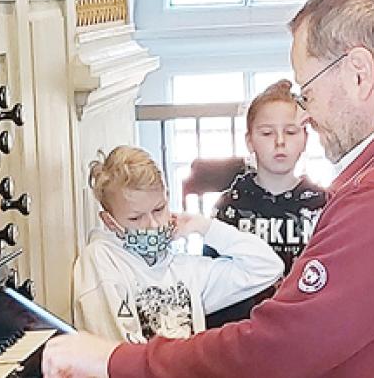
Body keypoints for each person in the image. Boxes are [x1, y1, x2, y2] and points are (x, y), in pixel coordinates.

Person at [43, 0, 374, 377]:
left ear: (359, 74)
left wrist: (117, 362)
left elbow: (279, 348)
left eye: (308, 90)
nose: (306, 112)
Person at [72, 145, 284, 343]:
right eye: (136, 219)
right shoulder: (101, 260)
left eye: (159, 209)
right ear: (110, 221)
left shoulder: (186, 269)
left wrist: (203, 227)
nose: (153, 225)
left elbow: (267, 267)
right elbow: (112, 352)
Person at [204, 79, 327, 326]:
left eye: (291, 132)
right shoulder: (229, 209)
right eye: (267, 133)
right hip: (242, 334)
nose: (280, 142)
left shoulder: (323, 207)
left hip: (307, 331)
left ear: (304, 138)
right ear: (250, 141)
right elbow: (212, 283)